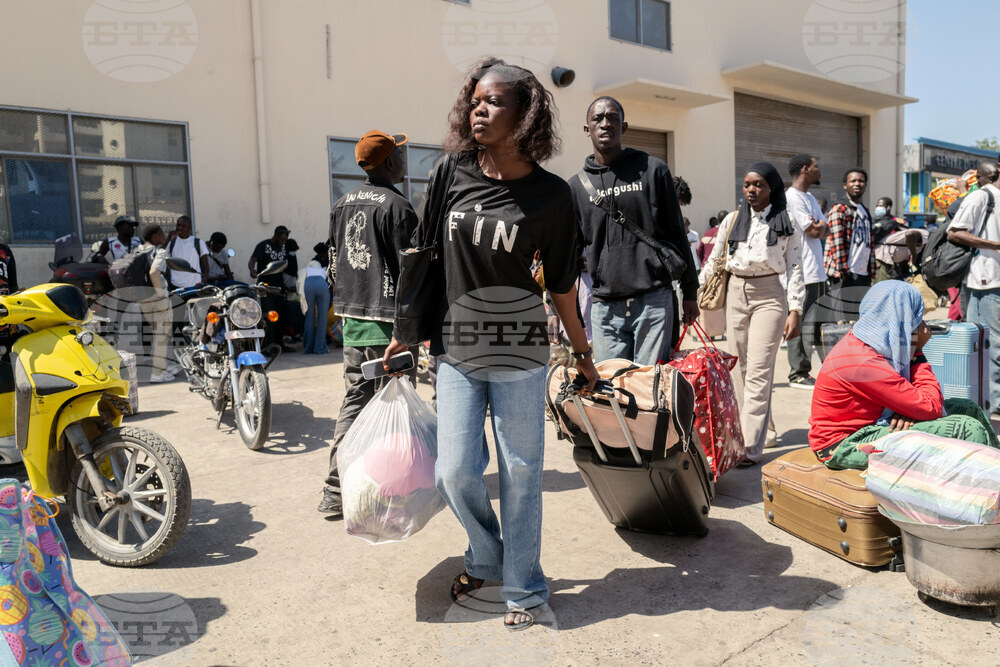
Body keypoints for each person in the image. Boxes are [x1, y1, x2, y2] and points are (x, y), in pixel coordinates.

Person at [383, 58, 598, 631]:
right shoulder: (451, 174)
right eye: (475, 99)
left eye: (495, 101)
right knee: (455, 471)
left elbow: (560, 285)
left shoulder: (553, 197)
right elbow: (422, 257)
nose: (479, 109)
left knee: (521, 471)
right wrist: (407, 334)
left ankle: (524, 589)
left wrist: (581, 353)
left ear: (525, 115)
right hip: (455, 348)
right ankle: (487, 553)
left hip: (521, 352)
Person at [318, 130, 419, 516]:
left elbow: (333, 262)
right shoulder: (398, 207)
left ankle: (334, 491)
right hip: (388, 328)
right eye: (400, 153)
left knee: (355, 403)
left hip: (353, 322)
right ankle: (393, 488)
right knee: (394, 410)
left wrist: (345, 307)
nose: (405, 158)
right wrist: (408, 328)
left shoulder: (341, 204)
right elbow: (410, 273)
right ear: (389, 163)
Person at [809, 281, 997, 470]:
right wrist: (917, 353)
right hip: (844, 445)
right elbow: (932, 406)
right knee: (966, 428)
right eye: (917, 318)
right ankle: (982, 488)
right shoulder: (862, 360)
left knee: (969, 408)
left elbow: (922, 403)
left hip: (874, 424)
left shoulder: (872, 339)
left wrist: (912, 410)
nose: (923, 325)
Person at [570, 96, 699, 365]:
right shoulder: (576, 187)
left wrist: (690, 293)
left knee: (648, 388)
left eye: (613, 118)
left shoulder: (653, 170)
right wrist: (559, 306)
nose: (606, 124)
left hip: (653, 298)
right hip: (604, 305)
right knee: (610, 390)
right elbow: (571, 252)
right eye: (598, 119)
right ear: (587, 129)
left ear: (624, 127)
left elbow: (677, 233)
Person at [699, 162, 804, 466]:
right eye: (747, 185)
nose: (751, 190)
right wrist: (694, 295)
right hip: (735, 293)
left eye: (758, 185)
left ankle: (747, 447)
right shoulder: (732, 220)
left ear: (772, 187)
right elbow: (714, 260)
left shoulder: (788, 222)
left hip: (770, 296)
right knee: (739, 373)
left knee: (758, 371)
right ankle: (765, 431)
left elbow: (797, 268)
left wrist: (795, 308)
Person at [947, 160, 1000, 415]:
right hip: (986, 281)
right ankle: (991, 406)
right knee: (990, 346)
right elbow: (955, 232)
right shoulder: (982, 196)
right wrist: (997, 245)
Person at [784, 153, 830, 390]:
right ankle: (798, 373)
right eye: (816, 166)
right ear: (805, 169)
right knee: (799, 323)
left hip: (817, 272)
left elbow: (824, 228)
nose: (818, 169)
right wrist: (819, 226)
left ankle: (824, 370)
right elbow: (813, 230)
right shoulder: (792, 197)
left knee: (819, 323)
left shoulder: (809, 197)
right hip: (802, 272)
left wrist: (819, 226)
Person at [824, 168, 874, 322]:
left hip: (862, 273)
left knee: (858, 319)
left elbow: (869, 243)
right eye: (853, 181)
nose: (857, 184)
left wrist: (870, 271)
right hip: (844, 274)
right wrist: (843, 270)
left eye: (861, 181)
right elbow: (837, 241)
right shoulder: (840, 209)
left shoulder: (864, 211)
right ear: (845, 185)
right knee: (842, 320)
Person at [137, 224, 176, 383]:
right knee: (162, 336)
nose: (164, 235)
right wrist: (160, 293)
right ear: (154, 236)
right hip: (158, 299)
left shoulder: (137, 250)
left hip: (143, 299)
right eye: (161, 233)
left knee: (157, 335)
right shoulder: (159, 251)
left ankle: (164, 367)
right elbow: (153, 272)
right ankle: (158, 373)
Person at [250, 225, 291, 350]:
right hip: (265, 288)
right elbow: (252, 260)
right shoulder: (263, 245)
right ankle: (268, 346)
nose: (283, 243)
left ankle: (279, 344)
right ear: (276, 235)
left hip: (279, 288)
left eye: (285, 240)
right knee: (269, 317)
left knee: (280, 318)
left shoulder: (283, 247)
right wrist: (252, 270)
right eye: (281, 240)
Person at [872, 196, 923, 283]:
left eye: (881, 206)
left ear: (888, 208)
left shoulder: (897, 222)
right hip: (878, 258)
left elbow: (908, 238)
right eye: (877, 206)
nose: (878, 208)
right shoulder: (873, 220)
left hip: (897, 261)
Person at [300, 242, 331, 355]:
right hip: (322, 285)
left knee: (310, 317)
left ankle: (308, 348)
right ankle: (320, 348)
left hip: (308, 285)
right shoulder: (329, 261)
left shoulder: (311, 263)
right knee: (323, 318)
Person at [166, 215, 209, 289]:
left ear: (190, 228)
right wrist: (168, 239)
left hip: (195, 286)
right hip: (175, 286)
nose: (180, 228)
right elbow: (160, 255)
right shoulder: (171, 242)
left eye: (183, 226)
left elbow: (205, 266)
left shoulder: (198, 242)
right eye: (178, 226)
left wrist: (203, 281)